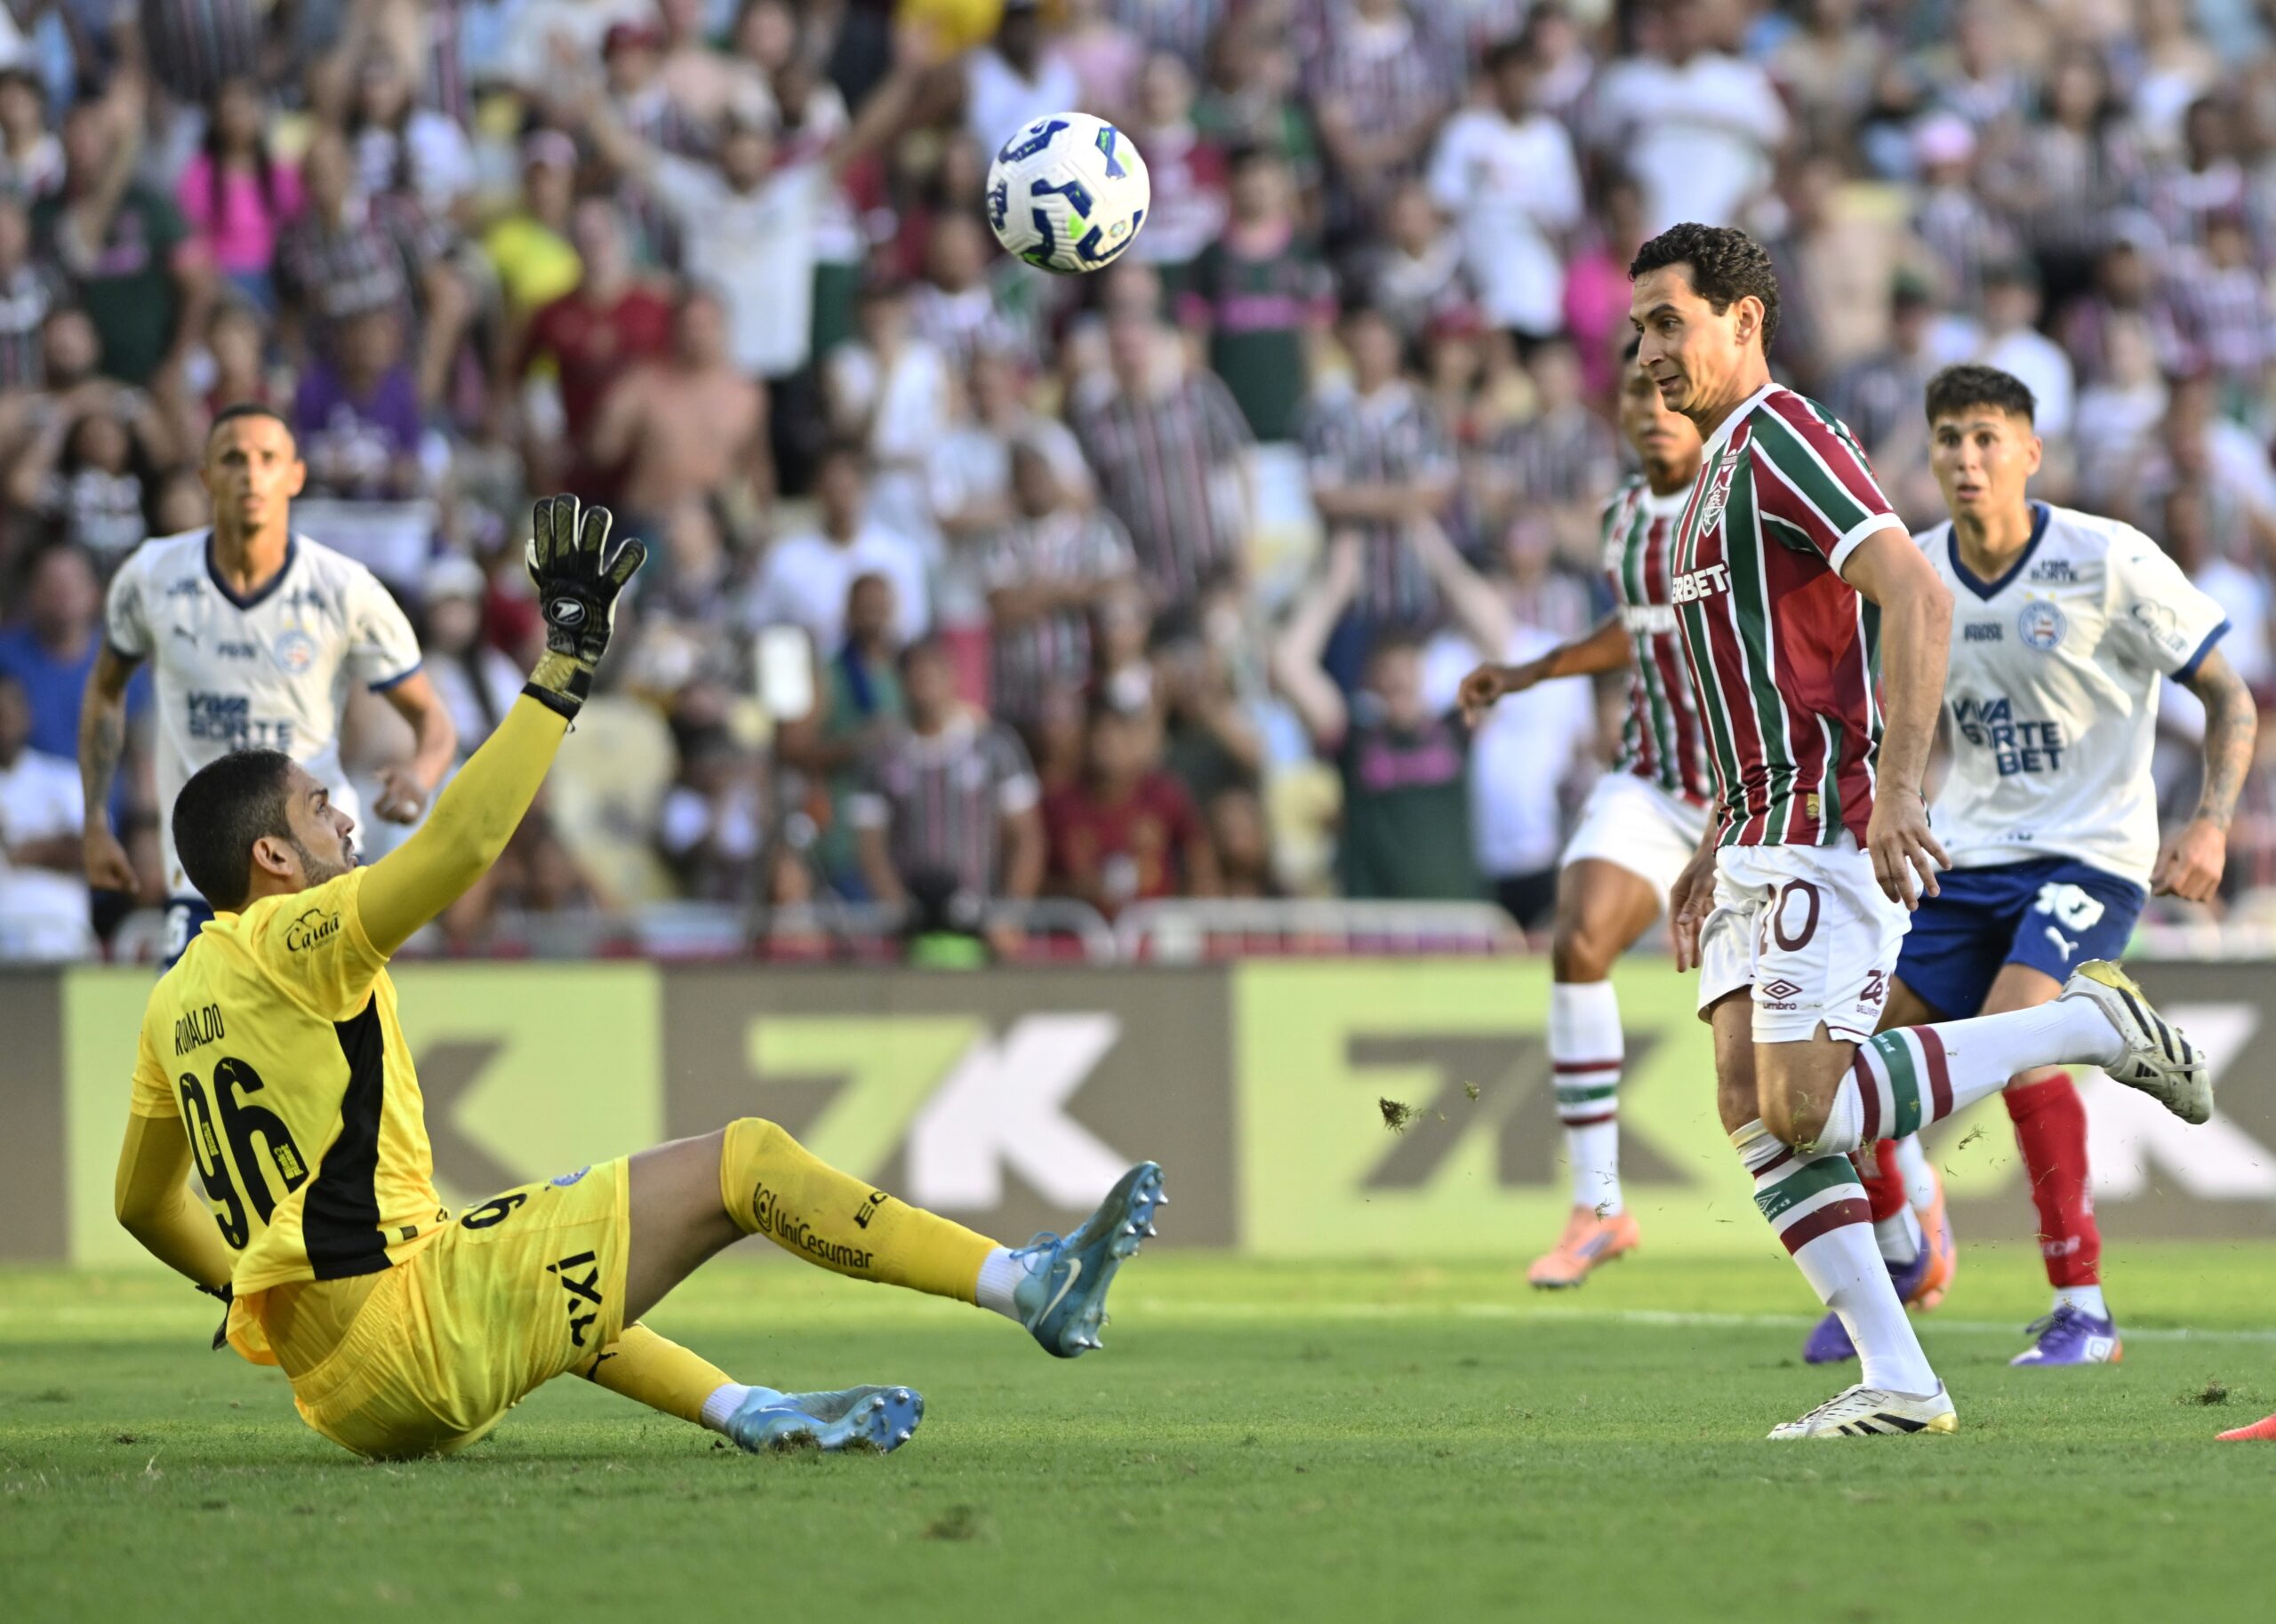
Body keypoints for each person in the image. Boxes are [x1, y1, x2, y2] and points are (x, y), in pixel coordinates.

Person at [107, 493, 1165, 1458]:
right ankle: (1027, 1285)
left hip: (344, 1395)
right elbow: (462, 844)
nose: (342, 815)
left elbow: (141, 1206)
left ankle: (748, 1409)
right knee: (742, 1159)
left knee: (539, 1255)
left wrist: (241, 1282)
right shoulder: (301, 936)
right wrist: (564, 663)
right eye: (315, 809)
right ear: (273, 861)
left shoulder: (173, 1000)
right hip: (413, 1327)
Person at [1630, 222, 2208, 1439]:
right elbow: (1758, 675)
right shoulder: (1712, 475)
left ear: (1744, 319)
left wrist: (1897, 788)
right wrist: (1708, 839)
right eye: (1638, 329)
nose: (1649, 351)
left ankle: (2082, 1021)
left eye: (1669, 321)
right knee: (1754, 1108)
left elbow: (1916, 589)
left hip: (1824, 819)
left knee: (1802, 1104)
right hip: (1752, 827)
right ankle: (1900, 1377)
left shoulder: (1784, 436)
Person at [1798, 364, 2255, 1370]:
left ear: (2030, 452)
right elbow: (1880, 728)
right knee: (1840, 1060)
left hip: (2089, 855)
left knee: (2016, 1034)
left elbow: (2229, 698)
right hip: (1968, 852)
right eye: (1949, 440)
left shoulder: (2107, 559)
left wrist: (2211, 823)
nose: (1967, 459)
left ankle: (2082, 1308)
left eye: (1987, 439)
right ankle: (1903, 1252)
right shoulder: (1914, 577)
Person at [1458, 349, 1734, 1286]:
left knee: (1795, 1068)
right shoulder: (1621, 520)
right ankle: (1598, 1208)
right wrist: (1533, 671)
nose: (1652, 409)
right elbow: (1641, 626)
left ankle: (1902, 1193)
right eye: (1635, 393)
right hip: (1653, 782)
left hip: (1758, 797)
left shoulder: (1742, 504)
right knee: (1576, 946)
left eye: (1671, 393)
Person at [78, 404, 458, 964]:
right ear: (206, 477)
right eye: (233, 459)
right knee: (200, 1048)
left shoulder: (345, 588)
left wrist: (420, 779)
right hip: (202, 880)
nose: (252, 475)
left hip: (317, 879)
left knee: (321, 1047)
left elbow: (432, 719)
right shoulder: (151, 577)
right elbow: (105, 691)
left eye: (268, 459)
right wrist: (94, 821)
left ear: (295, 476)